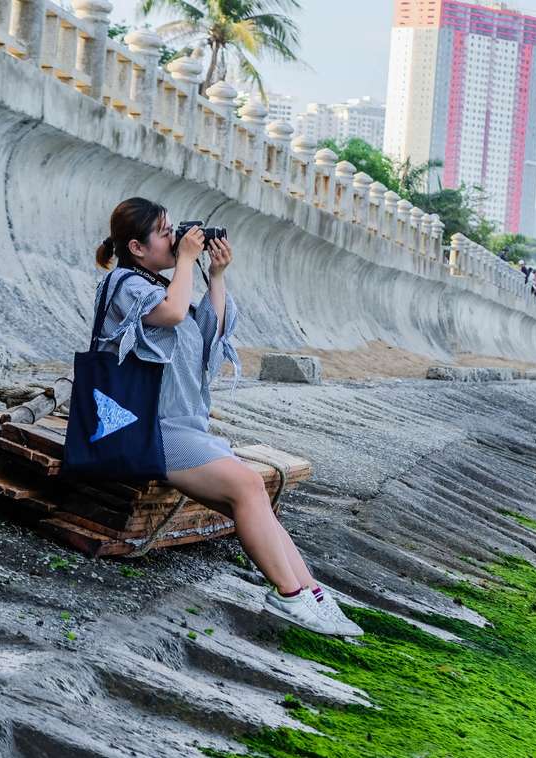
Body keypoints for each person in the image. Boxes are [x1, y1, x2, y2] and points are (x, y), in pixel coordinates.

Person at [91, 197, 360, 637]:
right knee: (249, 484)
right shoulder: (123, 283)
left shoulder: (156, 282)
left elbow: (205, 334)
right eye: (166, 233)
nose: (177, 240)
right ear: (137, 247)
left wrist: (214, 274)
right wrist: (187, 261)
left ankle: (310, 592)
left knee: (253, 496)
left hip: (176, 425)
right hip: (135, 429)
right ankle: (288, 596)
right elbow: (174, 313)